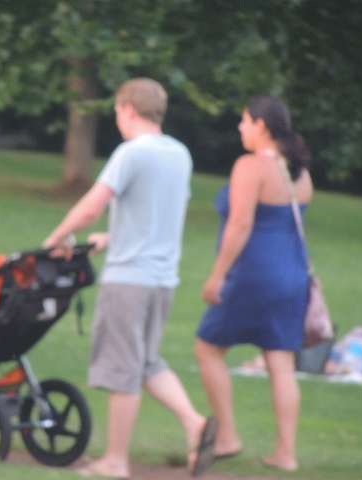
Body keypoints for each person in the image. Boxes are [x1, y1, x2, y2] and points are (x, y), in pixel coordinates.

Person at [43, 77, 217, 478]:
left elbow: (91, 206)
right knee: (145, 363)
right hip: (162, 280)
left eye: (117, 112)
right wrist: (113, 236)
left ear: (127, 110)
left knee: (123, 371)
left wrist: (57, 236)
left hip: (129, 281)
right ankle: (195, 423)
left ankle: (115, 461)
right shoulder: (179, 154)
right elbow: (156, 212)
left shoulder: (131, 153)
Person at [194, 95, 314, 472]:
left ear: (261, 125)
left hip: (252, 274)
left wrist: (217, 274)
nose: (240, 128)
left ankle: (228, 435)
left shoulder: (250, 166)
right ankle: (286, 453)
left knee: (208, 347)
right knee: (280, 361)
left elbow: (241, 223)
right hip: (293, 274)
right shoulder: (300, 173)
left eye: (244, 121)